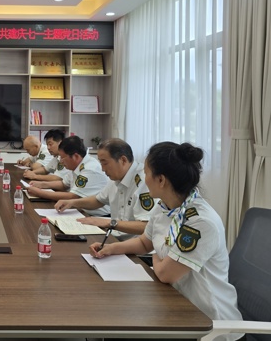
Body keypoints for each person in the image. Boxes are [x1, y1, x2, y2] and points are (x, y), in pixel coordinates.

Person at [89, 142, 242, 339]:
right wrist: (110, 248)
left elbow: (165, 274)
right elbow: (144, 243)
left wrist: (157, 258)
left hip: (209, 324)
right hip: (175, 305)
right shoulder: (164, 207)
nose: (144, 179)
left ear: (161, 180)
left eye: (146, 173)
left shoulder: (200, 222)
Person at [55, 138, 156, 239]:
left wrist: (109, 223)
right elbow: (98, 200)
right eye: (101, 163)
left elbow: (147, 226)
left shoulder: (144, 181)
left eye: (105, 163)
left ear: (123, 160)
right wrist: (72, 203)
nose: (103, 169)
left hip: (134, 245)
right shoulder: (116, 177)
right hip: (114, 236)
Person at [26, 135, 110, 215]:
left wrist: (40, 193)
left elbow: (73, 196)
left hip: (96, 215)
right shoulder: (76, 165)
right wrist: (42, 184)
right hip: (81, 210)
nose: (61, 161)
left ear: (75, 156)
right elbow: (64, 184)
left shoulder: (90, 168)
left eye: (62, 157)